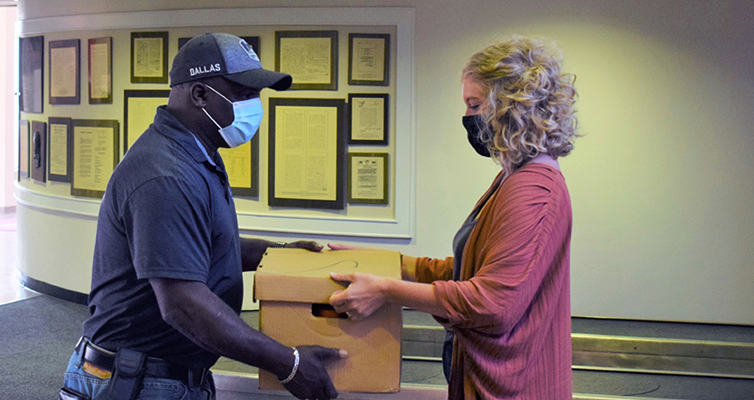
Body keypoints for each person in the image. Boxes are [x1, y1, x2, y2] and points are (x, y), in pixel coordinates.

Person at [60, 33, 344, 400]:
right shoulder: (165, 174)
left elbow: (201, 245)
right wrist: (287, 363)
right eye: (243, 94)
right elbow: (182, 303)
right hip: (135, 381)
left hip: (163, 374)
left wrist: (279, 253)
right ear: (200, 95)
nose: (254, 106)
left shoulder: (196, 154)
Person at [328, 35, 579, 400]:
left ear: (510, 106)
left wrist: (386, 290)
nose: (467, 117)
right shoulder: (513, 177)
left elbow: (493, 304)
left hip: (515, 390)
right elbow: (471, 270)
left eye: (474, 104)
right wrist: (388, 264)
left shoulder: (534, 190)